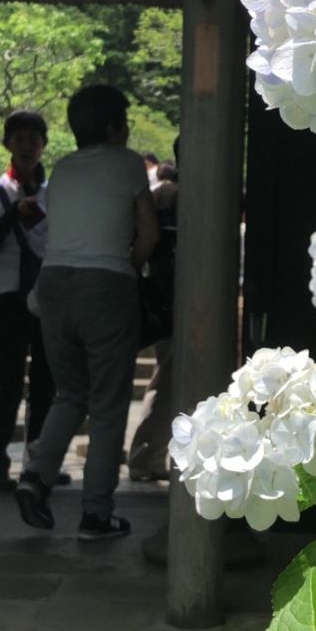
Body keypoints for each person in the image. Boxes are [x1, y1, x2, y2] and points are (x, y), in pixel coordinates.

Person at [15, 84, 158, 541]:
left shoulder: (60, 168)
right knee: (110, 406)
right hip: (105, 285)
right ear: (116, 126)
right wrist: (129, 269)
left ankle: (36, 476)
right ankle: (96, 513)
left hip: (54, 285)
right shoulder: (130, 163)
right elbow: (149, 233)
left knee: (70, 393)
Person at [0, 109, 55, 490]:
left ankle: (39, 466)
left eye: (33, 139)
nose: (27, 146)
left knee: (46, 382)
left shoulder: (56, 193)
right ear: (7, 144)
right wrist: (11, 216)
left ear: (43, 145)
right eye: (19, 138)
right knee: (6, 381)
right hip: (8, 296)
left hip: (49, 295)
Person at [128, 146, 179, 482]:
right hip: (177, 300)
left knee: (168, 377)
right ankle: (146, 456)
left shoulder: (159, 194)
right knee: (170, 377)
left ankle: (148, 455)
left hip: (163, 299)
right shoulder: (173, 195)